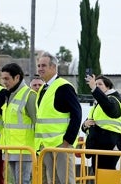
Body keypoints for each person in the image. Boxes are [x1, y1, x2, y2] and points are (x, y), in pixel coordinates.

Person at [35, 51, 82, 184]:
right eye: (38, 65)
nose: (40, 68)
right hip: (47, 145)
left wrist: (67, 141)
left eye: (43, 65)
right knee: (53, 181)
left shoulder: (64, 87)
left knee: (66, 180)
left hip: (61, 145)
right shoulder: (44, 88)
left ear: (53, 67)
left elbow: (77, 114)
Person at [82, 74, 121, 173]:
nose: (97, 86)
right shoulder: (97, 104)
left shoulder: (113, 100)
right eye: (95, 84)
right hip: (97, 146)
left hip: (109, 146)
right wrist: (85, 125)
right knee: (98, 176)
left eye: (100, 84)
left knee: (106, 175)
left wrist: (94, 88)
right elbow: (86, 124)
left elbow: (109, 108)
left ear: (108, 87)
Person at [0, 63, 37, 184]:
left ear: (17, 78)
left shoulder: (29, 95)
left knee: (23, 181)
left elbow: (38, 123)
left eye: (7, 79)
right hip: (11, 149)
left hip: (25, 149)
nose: (4, 82)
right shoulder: (9, 95)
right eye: (3, 78)